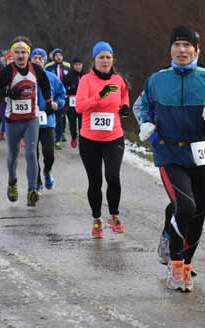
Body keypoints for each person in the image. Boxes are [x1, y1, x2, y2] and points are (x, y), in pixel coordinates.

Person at [138, 26, 205, 292]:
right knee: (185, 207)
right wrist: (146, 125)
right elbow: (142, 106)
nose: (182, 50)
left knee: (199, 211)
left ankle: (186, 263)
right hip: (169, 152)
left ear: (197, 50)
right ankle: (175, 265)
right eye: (177, 45)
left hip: (201, 152)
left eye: (188, 46)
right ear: (170, 50)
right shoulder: (157, 80)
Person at [0, 36, 53, 207]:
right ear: (12, 55)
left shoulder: (37, 69)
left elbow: (45, 83)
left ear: (28, 54)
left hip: (31, 119)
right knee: (13, 156)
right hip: (12, 121)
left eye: (23, 52)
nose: (20, 56)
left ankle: (32, 190)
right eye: (17, 52)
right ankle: (12, 182)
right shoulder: (8, 71)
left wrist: (47, 101)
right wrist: (8, 94)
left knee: (31, 153)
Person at [75, 41, 130, 238]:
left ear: (112, 60)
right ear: (94, 60)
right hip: (89, 139)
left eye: (108, 57)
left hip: (113, 136)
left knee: (113, 176)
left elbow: (124, 95)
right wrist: (100, 96)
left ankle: (114, 215)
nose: (105, 61)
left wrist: (124, 106)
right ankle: (97, 219)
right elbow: (79, 108)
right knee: (95, 180)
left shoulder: (118, 80)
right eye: (101, 57)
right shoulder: (86, 81)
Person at [30, 48, 66, 194]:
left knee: (48, 153)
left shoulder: (51, 77)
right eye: (35, 58)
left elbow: (61, 95)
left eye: (40, 58)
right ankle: (37, 181)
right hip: (30, 123)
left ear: (45, 61)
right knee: (33, 155)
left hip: (48, 121)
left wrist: (58, 104)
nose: (38, 60)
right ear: (30, 60)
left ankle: (47, 171)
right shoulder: (25, 78)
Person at [46, 48, 71, 147]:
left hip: (63, 94)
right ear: (53, 57)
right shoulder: (48, 66)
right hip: (52, 94)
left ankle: (59, 137)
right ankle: (51, 134)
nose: (58, 57)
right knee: (52, 115)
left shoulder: (67, 66)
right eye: (56, 55)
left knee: (61, 116)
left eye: (60, 55)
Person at [63, 57, 86, 148]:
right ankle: (73, 137)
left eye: (80, 65)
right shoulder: (68, 76)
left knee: (82, 123)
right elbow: (64, 88)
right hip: (71, 103)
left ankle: (82, 140)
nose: (78, 67)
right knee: (72, 122)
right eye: (76, 65)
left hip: (83, 103)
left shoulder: (85, 76)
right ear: (73, 65)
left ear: (82, 65)